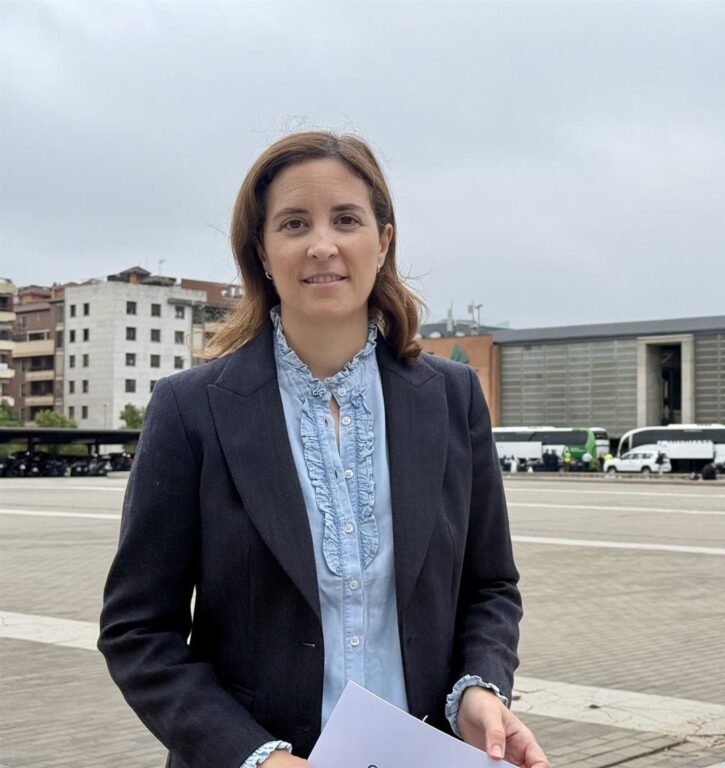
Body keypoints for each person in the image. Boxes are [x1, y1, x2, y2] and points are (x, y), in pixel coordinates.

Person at [98, 132, 547, 768]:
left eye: (346, 219)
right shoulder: (190, 410)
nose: (322, 246)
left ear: (383, 240)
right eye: (293, 223)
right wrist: (257, 757)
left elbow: (491, 586)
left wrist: (478, 689)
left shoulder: (451, 398)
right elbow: (138, 632)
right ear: (261, 249)